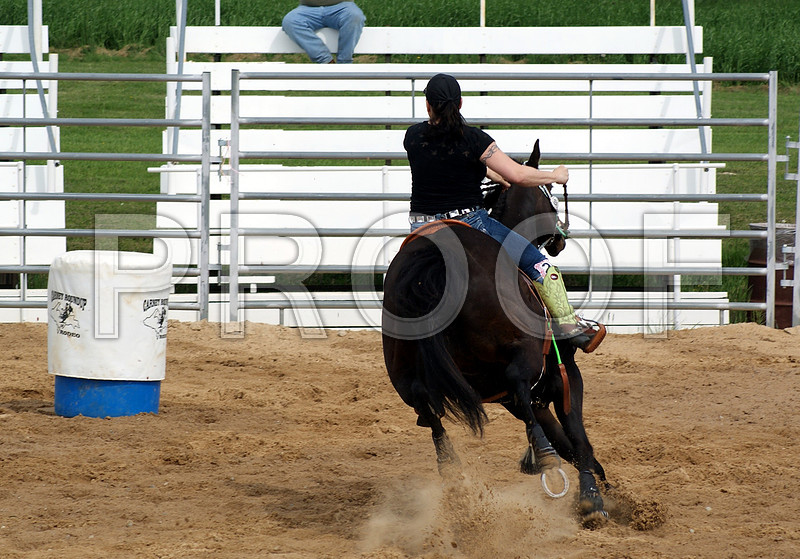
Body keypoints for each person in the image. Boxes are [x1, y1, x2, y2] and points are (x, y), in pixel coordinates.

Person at [403, 73, 605, 353]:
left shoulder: (412, 137)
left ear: (428, 105)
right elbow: (519, 175)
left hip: (422, 229)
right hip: (468, 223)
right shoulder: (474, 140)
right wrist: (554, 176)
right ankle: (570, 328)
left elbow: (441, 162)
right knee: (542, 268)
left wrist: (485, 171)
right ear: (460, 103)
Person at [281, 1, 366, 64]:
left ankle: (344, 63)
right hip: (308, 8)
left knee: (355, 16)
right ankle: (326, 61)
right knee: (290, 21)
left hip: (342, 6)